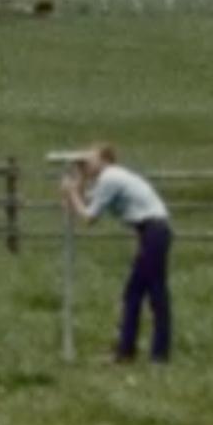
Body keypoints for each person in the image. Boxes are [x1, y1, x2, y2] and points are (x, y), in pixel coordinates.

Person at [62, 144, 173, 364]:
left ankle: (137, 352)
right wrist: (79, 181)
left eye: (90, 159)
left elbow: (88, 218)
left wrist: (72, 192)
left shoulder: (110, 178)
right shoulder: (109, 179)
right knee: (143, 293)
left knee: (146, 293)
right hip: (152, 232)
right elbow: (82, 205)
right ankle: (140, 351)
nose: (86, 163)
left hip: (153, 231)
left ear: (104, 160)